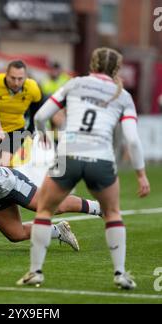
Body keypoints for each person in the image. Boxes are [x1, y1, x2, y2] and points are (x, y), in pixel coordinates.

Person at [17, 47, 151, 290]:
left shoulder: (75, 84)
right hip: (101, 160)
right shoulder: (123, 96)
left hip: (68, 155)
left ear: (93, 64)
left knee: (45, 211)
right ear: (116, 69)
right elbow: (132, 139)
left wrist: (42, 135)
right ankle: (120, 274)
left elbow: (42, 115)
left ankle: (35, 272)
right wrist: (141, 174)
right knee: (112, 214)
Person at [0, 60, 42, 226]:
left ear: (26, 77)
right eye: (13, 78)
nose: (17, 82)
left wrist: (31, 129)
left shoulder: (32, 87)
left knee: (3, 172)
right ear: (6, 74)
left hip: (15, 132)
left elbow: (36, 108)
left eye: (20, 78)